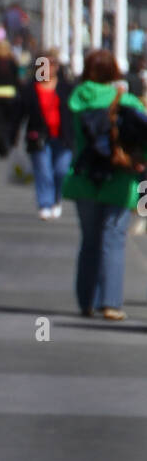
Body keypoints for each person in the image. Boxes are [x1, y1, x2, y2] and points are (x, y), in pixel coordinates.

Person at [63, 49, 145, 320]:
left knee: (89, 240)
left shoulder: (78, 99)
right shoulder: (128, 100)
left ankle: (86, 301)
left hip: (84, 177)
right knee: (114, 239)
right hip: (119, 178)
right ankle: (110, 303)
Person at [18, 48, 74, 219]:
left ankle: (57, 198)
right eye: (43, 64)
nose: (47, 68)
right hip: (40, 137)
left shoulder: (66, 87)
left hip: (63, 137)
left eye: (51, 64)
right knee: (43, 171)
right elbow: (20, 112)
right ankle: (45, 203)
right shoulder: (32, 88)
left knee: (61, 170)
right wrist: (12, 134)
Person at [0, 37, 20, 158]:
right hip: (10, 94)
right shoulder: (12, 62)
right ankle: (7, 142)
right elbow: (17, 79)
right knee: (9, 121)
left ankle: (0, 144)